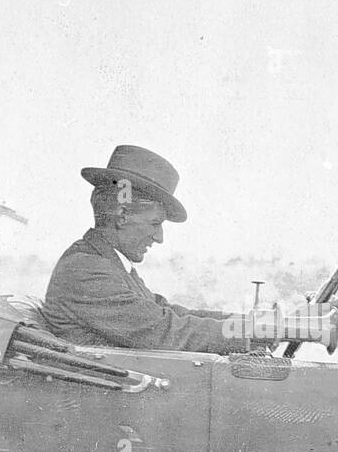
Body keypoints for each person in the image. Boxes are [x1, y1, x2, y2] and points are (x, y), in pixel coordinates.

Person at [41, 145, 253, 354]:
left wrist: (247, 323)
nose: (159, 237)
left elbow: (168, 312)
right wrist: (250, 331)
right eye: (154, 223)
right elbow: (164, 331)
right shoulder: (85, 269)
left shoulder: (108, 263)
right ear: (122, 215)